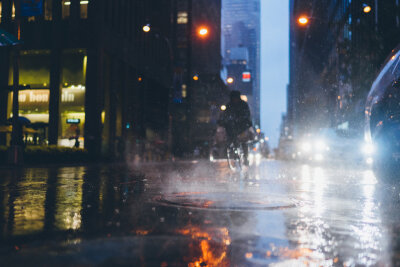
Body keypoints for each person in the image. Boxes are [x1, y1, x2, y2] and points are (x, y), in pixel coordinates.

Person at [219, 90, 253, 165]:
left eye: (236, 97)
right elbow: (225, 115)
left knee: (244, 141)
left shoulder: (243, 105)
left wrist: (242, 119)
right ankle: (232, 151)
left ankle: (245, 157)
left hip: (242, 127)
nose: (235, 99)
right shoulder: (229, 105)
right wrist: (223, 121)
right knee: (231, 138)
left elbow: (247, 115)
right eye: (233, 98)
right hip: (232, 127)